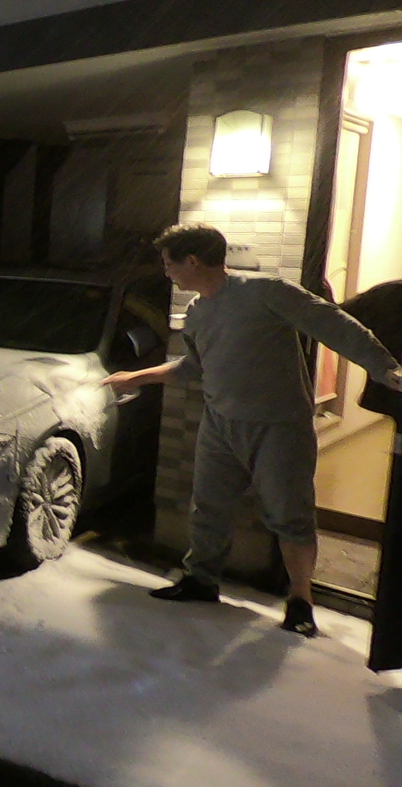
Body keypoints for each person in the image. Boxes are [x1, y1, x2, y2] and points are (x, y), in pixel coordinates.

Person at [104, 224, 402, 637]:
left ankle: (300, 600)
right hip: (220, 424)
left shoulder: (266, 292)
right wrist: (138, 377)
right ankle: (201, 580)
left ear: (193, 261)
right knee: (207, 508)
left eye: (169, 263)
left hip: (278, 426)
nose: (166, 271)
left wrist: (383, 366)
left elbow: (333, 324)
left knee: (290, 515)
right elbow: (195, 367)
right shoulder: (196, 312)